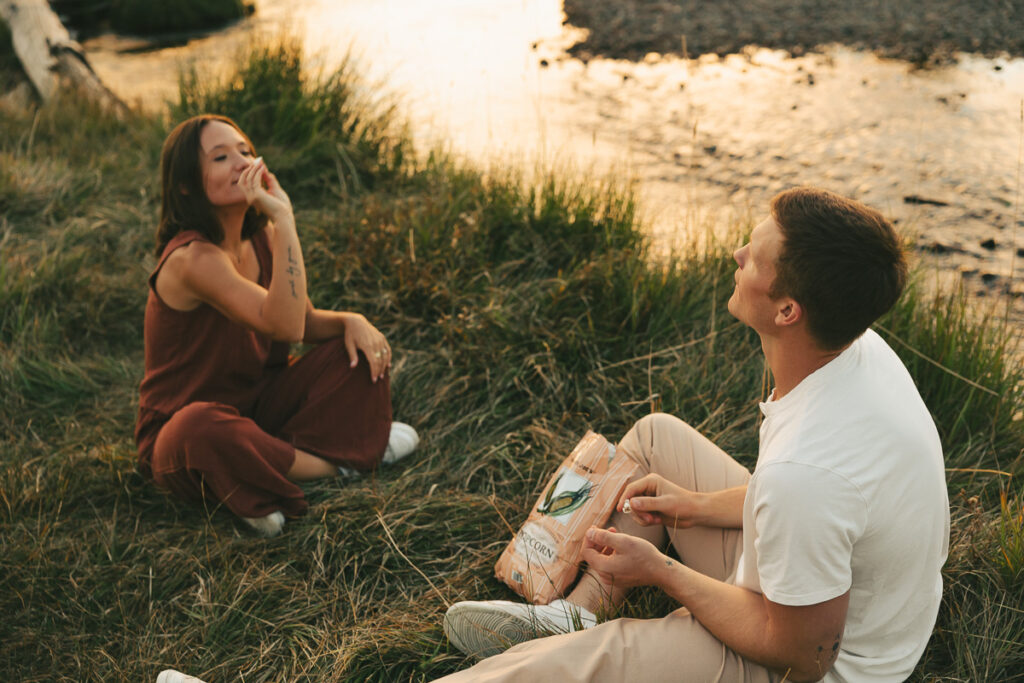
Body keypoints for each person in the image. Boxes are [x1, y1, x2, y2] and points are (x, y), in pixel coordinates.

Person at [438, 188, 950, 682]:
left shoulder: (805, 476)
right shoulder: (856, 347)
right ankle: (574, 612)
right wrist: (691, 505)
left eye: (753, 258)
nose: (737, 252)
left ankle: (566, 649)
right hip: (810, 585)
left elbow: (802, 655)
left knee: (578, 663)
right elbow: (817, 506)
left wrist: (662, 570)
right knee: (655, 439)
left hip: (814, 662)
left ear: (787, 311)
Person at [135, 114, 418, 538]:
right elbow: (281, 323)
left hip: (261, 405)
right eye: (220, 157)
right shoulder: (193, 260)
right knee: (201, 427)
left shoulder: (261, 237)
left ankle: (248, 479)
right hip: (185, 435)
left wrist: (350, 322)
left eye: (246, 151)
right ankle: (340, 464)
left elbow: (298, 323)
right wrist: (285, 219)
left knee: (354, 353)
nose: (241, 163)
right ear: (186, 185)